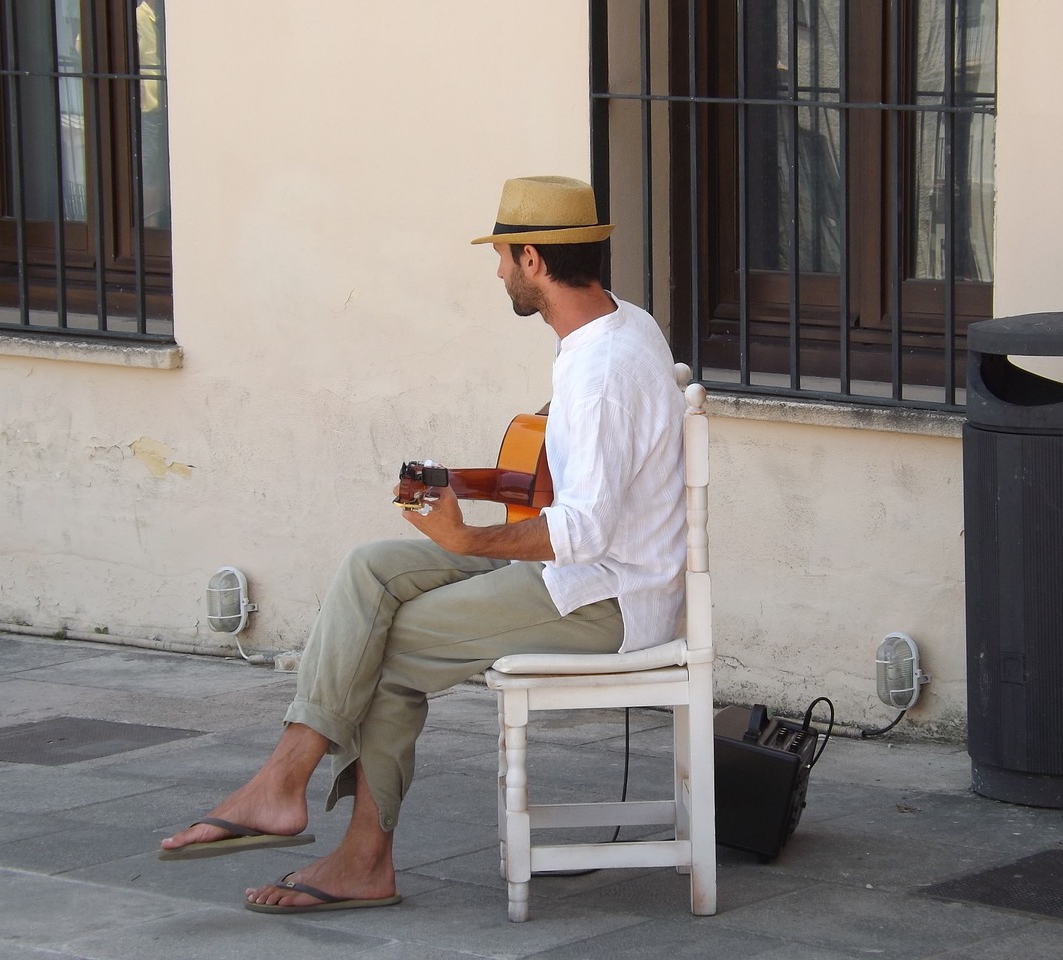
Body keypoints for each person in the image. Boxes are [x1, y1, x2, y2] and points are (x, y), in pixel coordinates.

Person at [159, 175, 688, 914]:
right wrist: (471, 483)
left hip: (607, 597)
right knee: (368, 571)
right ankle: (284, 780)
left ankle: (360, 856)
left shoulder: (600, 371)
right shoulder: (622, 323)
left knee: (391, 644)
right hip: (596, 570)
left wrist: (466, 534)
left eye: (502, 255)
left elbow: (586, 529)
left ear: (533, 260)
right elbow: (583, 474)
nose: (497, 270)